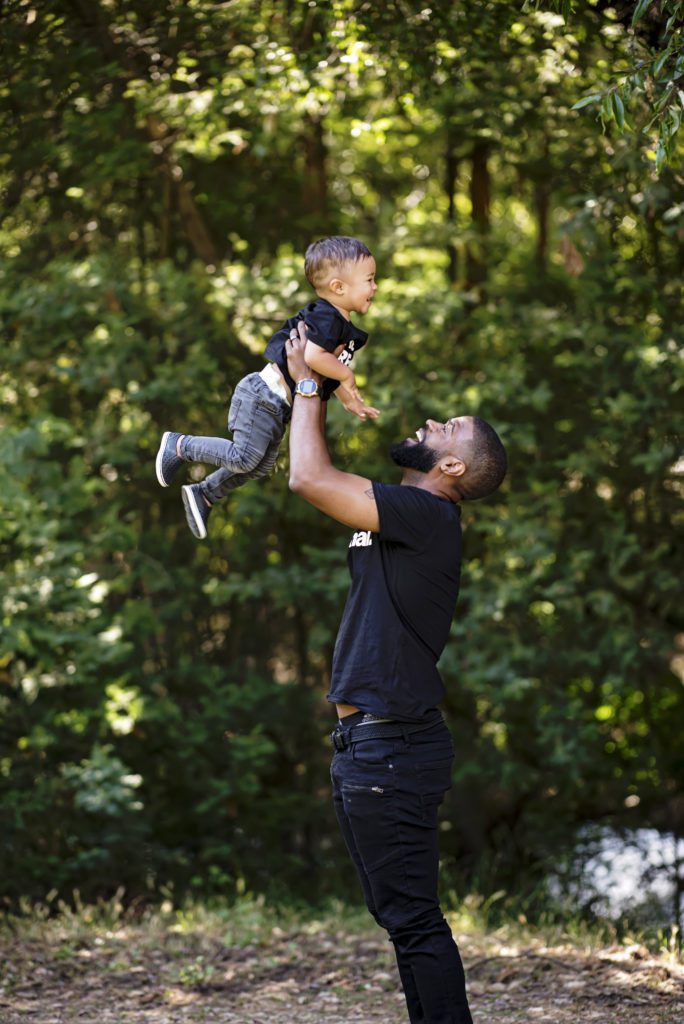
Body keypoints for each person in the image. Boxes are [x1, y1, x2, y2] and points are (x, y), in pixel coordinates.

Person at [285, 322, 507, 1024]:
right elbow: (321, 476)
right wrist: (327, 369)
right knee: (400, 918)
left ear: (451, 470)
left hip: (391, 749)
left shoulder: (426, 517)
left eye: (448, 428)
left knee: (413, 921)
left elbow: (307, 477)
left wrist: (310, 384)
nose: (432, 422)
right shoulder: (400, 516)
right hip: (367, 747)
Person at [154, 236, 379, 539]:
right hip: (263, 395)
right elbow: (313, 357)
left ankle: (205, 493)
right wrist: (348, 378)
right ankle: (180, 446)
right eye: (370, 280)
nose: (375, 287)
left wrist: (349, 398)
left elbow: (323, 371)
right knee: (244, 458)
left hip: (276, 406)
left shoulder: (342, 326)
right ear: (339, 287)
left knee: (259, 466)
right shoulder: (326, 316)